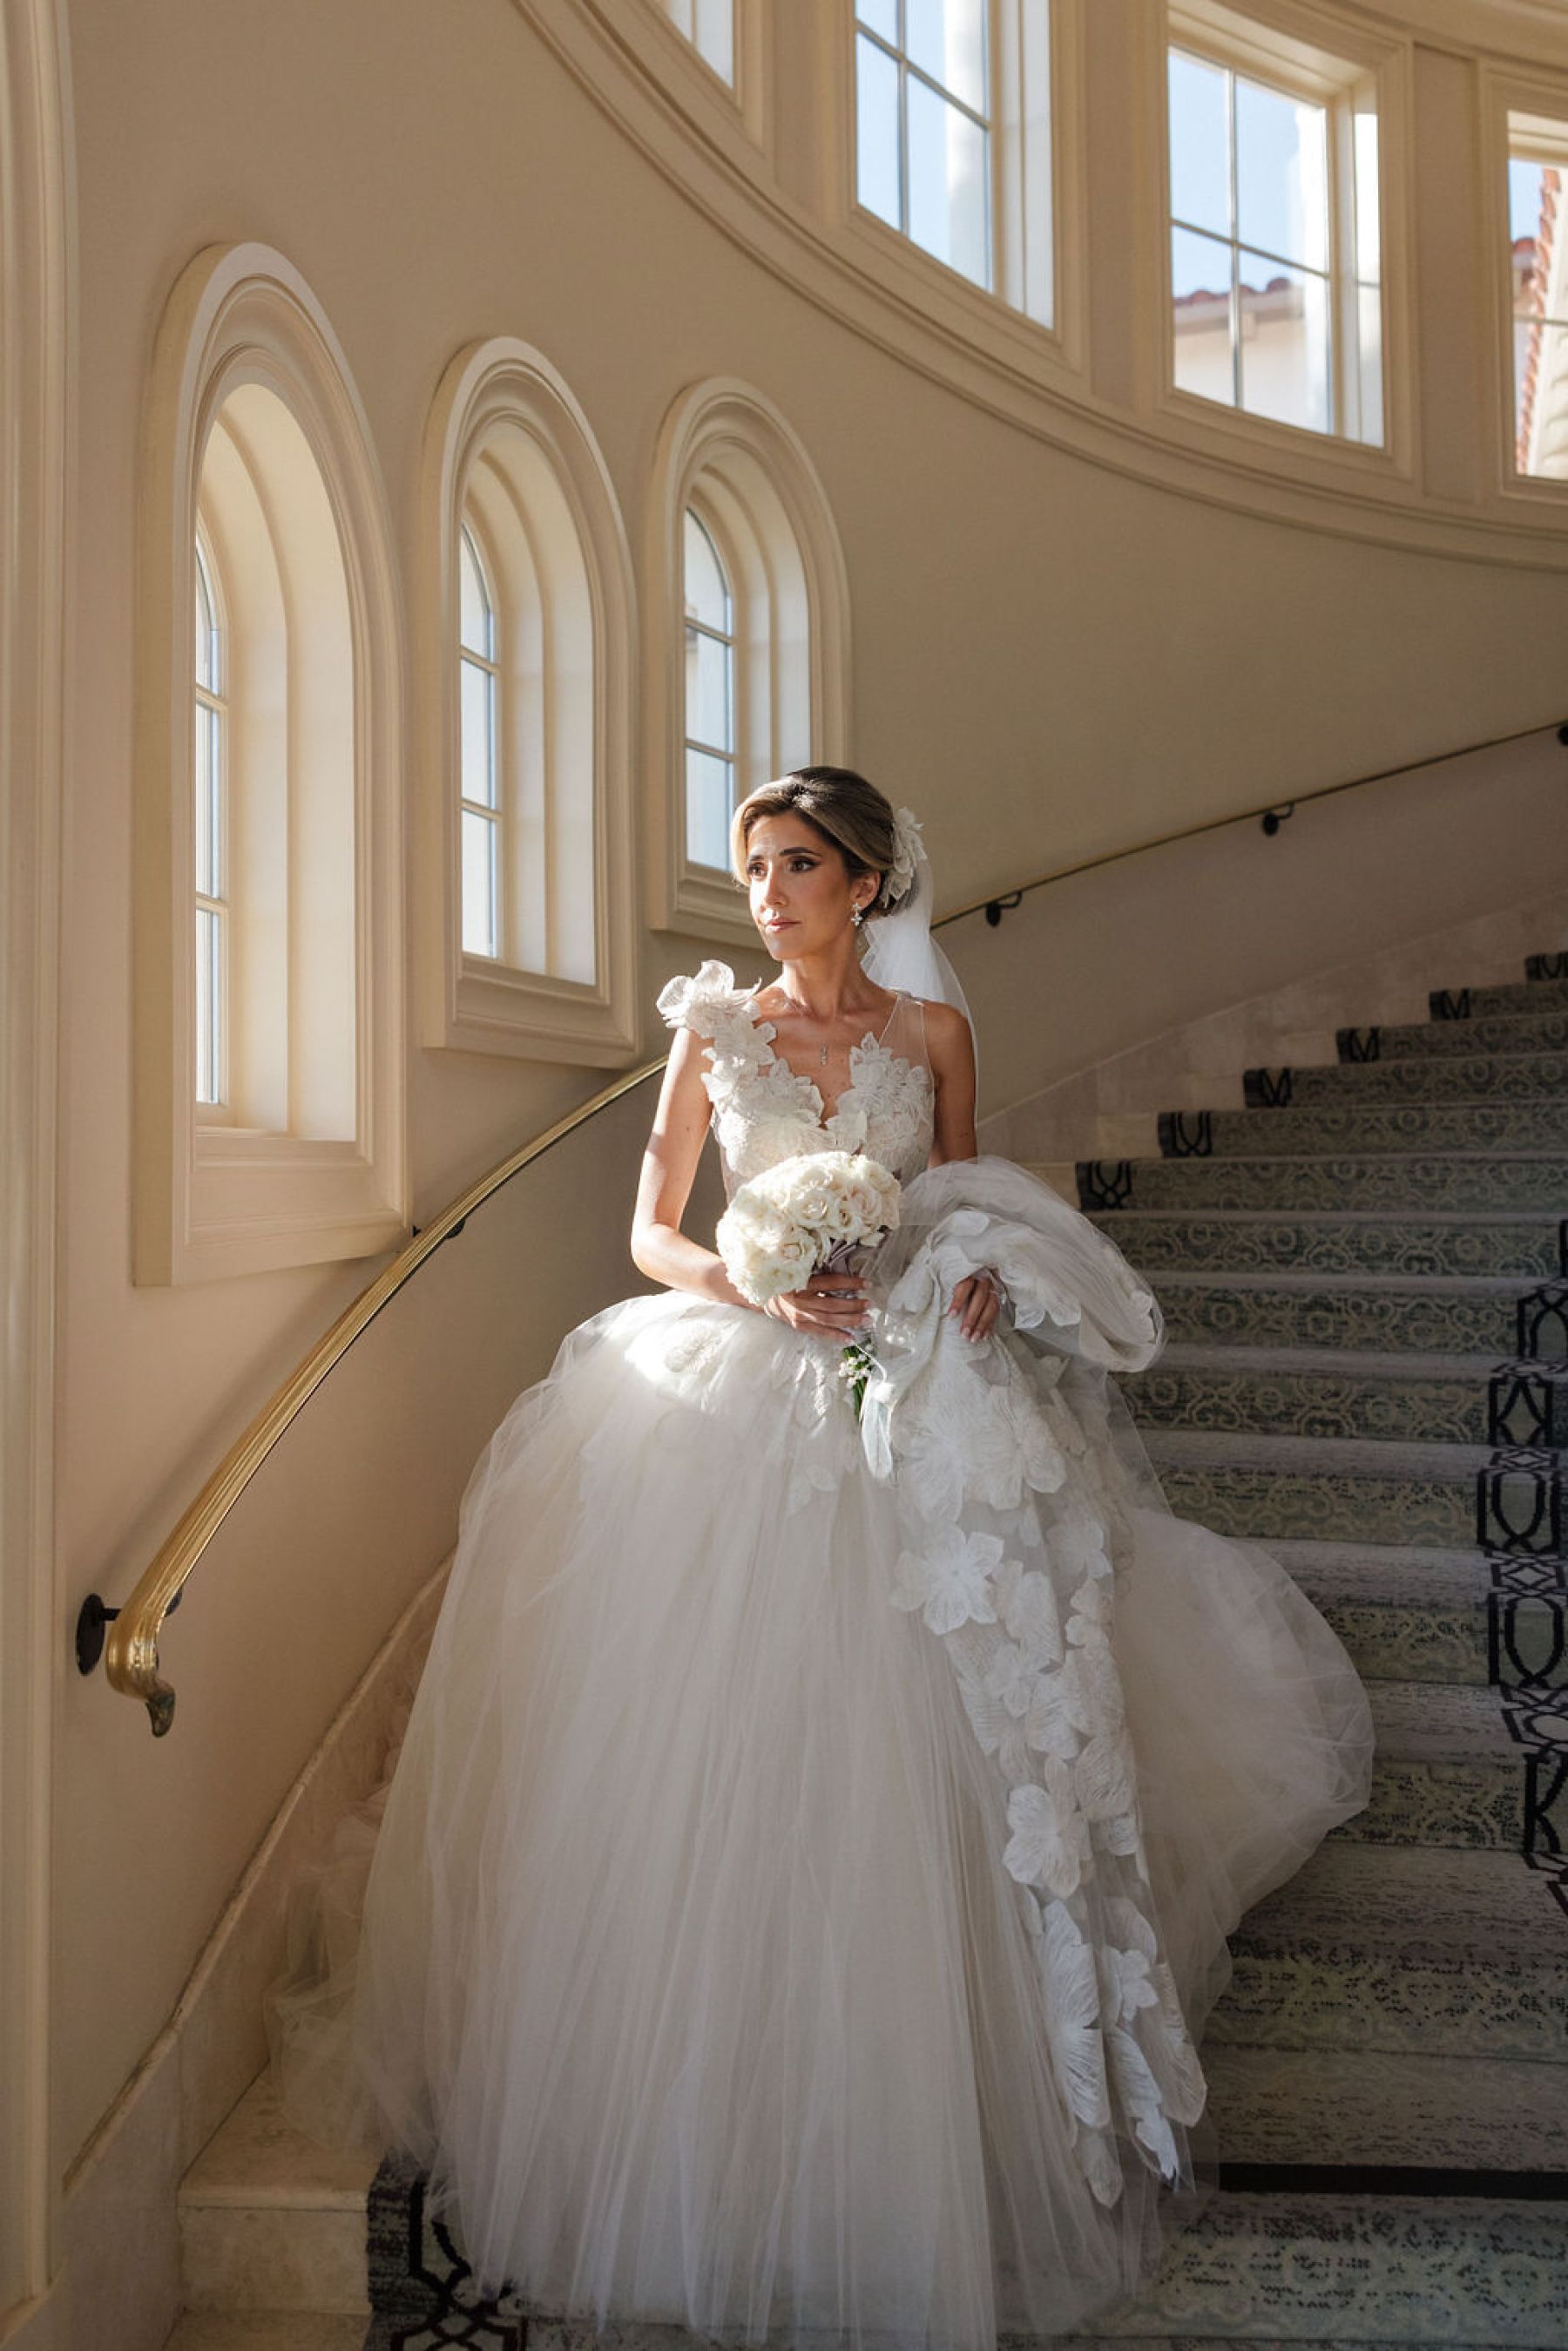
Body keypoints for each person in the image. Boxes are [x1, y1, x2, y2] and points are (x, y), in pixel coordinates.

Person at [266, 767, 1375, 2350]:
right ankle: (721, 2130)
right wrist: (751, 1281)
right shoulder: (715, 1035)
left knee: (925, 1753)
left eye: (799, 865)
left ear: (868, 883)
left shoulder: (931, 1039)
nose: (770, 894)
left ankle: (936, 2108)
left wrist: (978, 1280)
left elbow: (963, 1202)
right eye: (755, 868)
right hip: (742, 1393)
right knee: (733, 1758)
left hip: (918, 1390)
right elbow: (649, 1231)